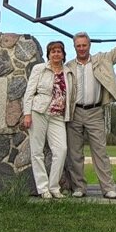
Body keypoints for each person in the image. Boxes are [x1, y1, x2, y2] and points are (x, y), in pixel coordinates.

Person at [64, 18, 116, 199]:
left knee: (100, 152)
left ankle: (108, 188)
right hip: (74, 113)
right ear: (74, 47)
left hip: (95, 112)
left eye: (84, 45)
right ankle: (79, 188)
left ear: (89, 45)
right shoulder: (68, 67)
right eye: (78, 46)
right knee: (74, 154)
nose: (81, 48)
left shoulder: (102, 60)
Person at [22, 40, 76, 199]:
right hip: (39, 111)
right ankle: (43, 188)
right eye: (53, 51)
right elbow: (29, 92)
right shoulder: (39, 69)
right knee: (37, 151)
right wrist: (27, 114)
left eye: (59, 51)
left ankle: (54, 187)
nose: (56, 54)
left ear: (63, 54)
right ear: (49, 54)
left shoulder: (68, 72)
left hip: (58, 116)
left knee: (61, 150)